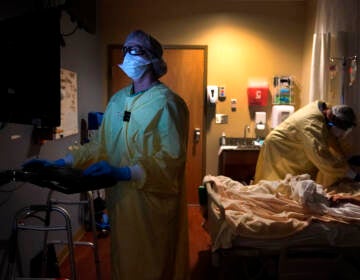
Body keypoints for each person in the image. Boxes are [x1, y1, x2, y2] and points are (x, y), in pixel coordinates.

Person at [25, 30, 190, 279]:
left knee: (151, 264)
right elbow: (99, 145)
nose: (128, 55)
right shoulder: (117, 101)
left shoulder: (168, 104)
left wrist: (126, 172)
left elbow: (171, 160)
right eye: (125, 49)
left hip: (151, 204)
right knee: (123, 260)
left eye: (135, 49)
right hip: (121, 201)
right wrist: (62, 162)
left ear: (152, 58)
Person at [254, 100, 360, 187]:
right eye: (341, 130)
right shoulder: (311, 125)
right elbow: (322, 157)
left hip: (293, 148)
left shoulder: (327, 111)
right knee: (277, 186)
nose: (341, 134)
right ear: (333, 121)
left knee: (294, 185)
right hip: (279, 149)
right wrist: (353, 175)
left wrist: (345, 159)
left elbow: (331, 138)